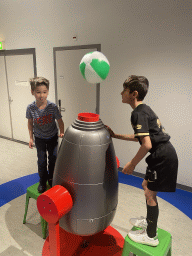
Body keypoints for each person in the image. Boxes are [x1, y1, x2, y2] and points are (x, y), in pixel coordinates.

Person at [106, 75, 178, 246]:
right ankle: (148, 221)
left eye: (124, 90)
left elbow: (146, 144)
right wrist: (116, 135)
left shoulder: (138, 113)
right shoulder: (144, 110)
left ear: (133, 94)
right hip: (160, 154)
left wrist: (132, 163)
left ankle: (151, 236)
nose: (121, 93)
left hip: (162, 156)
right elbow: (141, 137)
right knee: (146, 186)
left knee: (149, 194)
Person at [26, 77, 64, 193]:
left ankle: (51, 179)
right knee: (42, 161)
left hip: (52, 137)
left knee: (53, 159)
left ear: (47, 92)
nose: (41, 95)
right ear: (32, 92)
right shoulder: (31, 108)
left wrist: (61, 131)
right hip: (39, 138)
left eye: (44, 92)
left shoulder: (52, 107)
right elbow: (30, 123)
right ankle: (42, 181)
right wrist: (31, 138)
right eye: (38, 92)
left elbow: (60, 121)